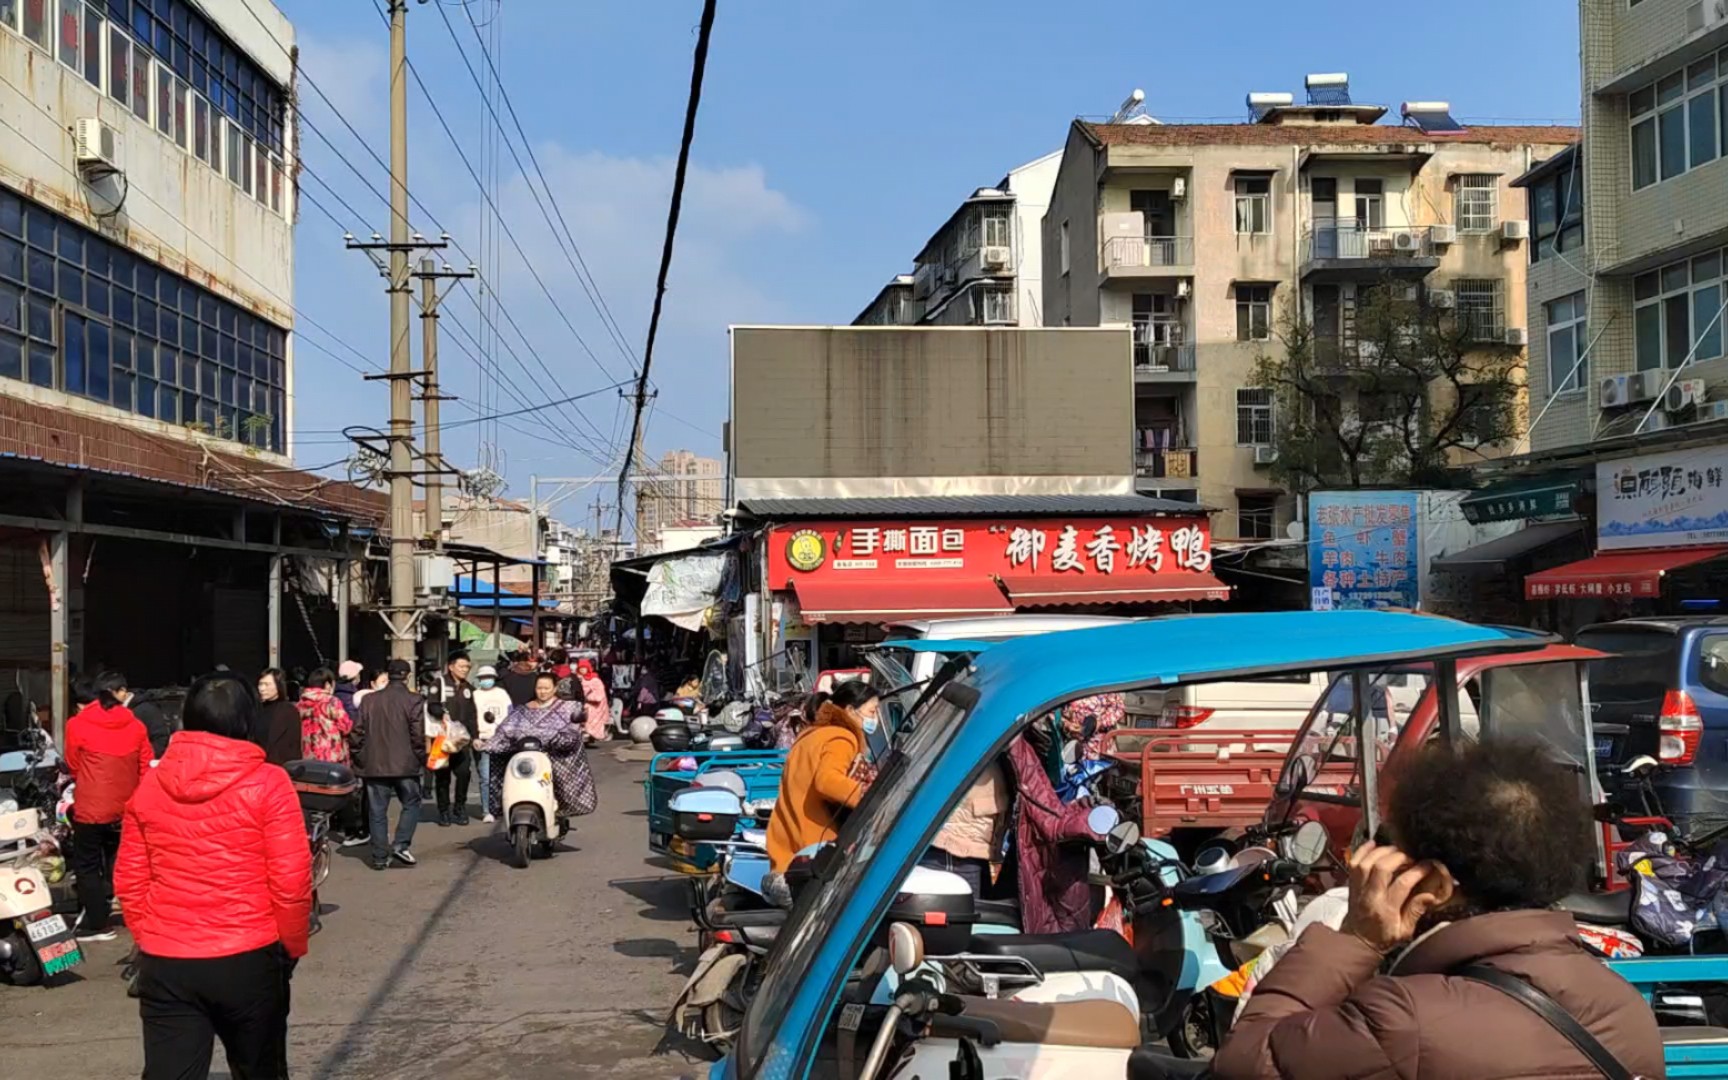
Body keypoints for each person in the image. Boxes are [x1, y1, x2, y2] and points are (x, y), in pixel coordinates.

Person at [1210, 739, 1664, 1080]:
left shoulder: (1402, 1019)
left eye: (1390, 850)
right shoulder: (1621, 1005)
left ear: (1432, 884)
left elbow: (1243, 1062)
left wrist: (1355, 939)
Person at [115, 673, 311, 1080]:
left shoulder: (152, 784)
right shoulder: (270, 783)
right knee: (260, 1069)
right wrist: (290, 947)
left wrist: (149, 935)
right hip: (250, 954)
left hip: (168, 960)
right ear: (247, 720)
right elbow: (291, 881)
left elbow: (131, 880)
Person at [64, 671, 153, 942]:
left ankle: (98, 924)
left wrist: (89, 782)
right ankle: (127, 907)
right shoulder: (136, 725)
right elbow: (146, 764)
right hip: (126, 806)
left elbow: (72, 764)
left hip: (90, 807)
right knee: (120, 860)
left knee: (88, 865)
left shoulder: (78, 724)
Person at [765, 680, 878, 871]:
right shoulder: (842, 738)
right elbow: (827, 782)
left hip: (787, 844)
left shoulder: (811, 735)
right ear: (850, 710)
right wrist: (870, 797)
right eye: (872, 712)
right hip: (816, 846)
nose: (875, 718)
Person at [485, 673, 598, 823]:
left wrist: (564, 739)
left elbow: (572, 729)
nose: (542, 691)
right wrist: (488, 743)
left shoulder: (568, 707)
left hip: (555, 755)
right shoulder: (522, 710)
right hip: (526, 755)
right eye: (539, 688)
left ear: (554, 688)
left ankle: (560, 808)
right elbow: (506, 728)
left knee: (563, 777)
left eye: (546, 688)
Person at [351, 659, 426, 871]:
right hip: (405, 764)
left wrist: (359, 756)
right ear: (407, 676)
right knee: (411, 803)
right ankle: (401, 844)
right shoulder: (414, 700)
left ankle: (379, 856)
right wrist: (421, 757)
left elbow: (357, 733)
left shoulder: (369, 700)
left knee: (377, 811)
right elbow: (417, 735)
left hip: (374, 764)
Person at [426, 652, 477, 827]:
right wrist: (441, 714)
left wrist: (475, 737)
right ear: (451, 666)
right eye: (462, 666)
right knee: (443, 777)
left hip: (461, 740)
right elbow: (432, 705)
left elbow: (472, 715)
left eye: (467, 667)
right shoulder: (438, 684)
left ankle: (460, 807)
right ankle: (444, 811)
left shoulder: (469, 688)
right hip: (442, 739)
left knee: (464, 773)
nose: (465, 670)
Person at [471, 665, 513, 824]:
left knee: (503, 776)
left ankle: (502, 806)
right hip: (484, 739)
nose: (486, 680)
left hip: (502, 739)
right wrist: (475, 737)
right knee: (485, 777)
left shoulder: (502, 694)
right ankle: (487, 810)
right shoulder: (475, 695)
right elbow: (471, 717)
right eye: (482, 678)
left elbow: (510, 712)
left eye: (488, 678)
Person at [295, 668, 352, 765]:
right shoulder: (331, 701)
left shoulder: (300, 703)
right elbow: (345, 727)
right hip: (330, 756)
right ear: (328, 685)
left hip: (307, 756)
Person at [255, 669, 300, 767]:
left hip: (280, 766)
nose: (262, 688)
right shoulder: (256, 709)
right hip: (258, 765)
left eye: (267, 684)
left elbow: (293, 746)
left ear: (278, 685)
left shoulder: (289, 711)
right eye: (260, 684)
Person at [577, 659, 609, 744]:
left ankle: (590, 736)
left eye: (584, 668)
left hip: (594, 706)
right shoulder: (577, 679)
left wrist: (588, 697)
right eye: (580, 668)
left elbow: (600, 694)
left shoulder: (595, 680)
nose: (582, 670)